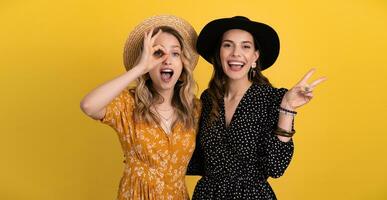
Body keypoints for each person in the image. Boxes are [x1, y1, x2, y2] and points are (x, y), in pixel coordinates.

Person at [187, 16, 326, 199]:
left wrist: (287, 107)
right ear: (219, 54)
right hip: (207, 195)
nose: (236, 53)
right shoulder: (208, 98)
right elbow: (194, 160)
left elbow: (275, 167)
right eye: (228, 45)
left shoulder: (274, 99)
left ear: (255, 56)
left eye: (245, 46)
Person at [80, 15, 200, 200]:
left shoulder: (194, 109)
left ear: (183, 64)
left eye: (175, 53)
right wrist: (139, 68)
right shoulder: (128, 104)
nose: (167, 60)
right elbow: (88, 105)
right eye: (158, 53)